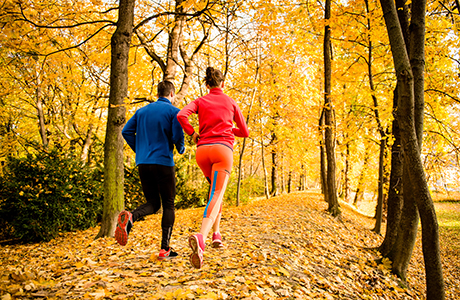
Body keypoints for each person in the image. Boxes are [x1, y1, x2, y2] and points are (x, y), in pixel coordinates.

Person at [177, 67, 249, 268]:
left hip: (202, 152)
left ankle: (216, 235)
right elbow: (244, 131)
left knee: (216, 193)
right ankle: (202, 237)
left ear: (207, 85)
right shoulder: (231, 102)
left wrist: (193, 132)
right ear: (223, 84)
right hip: (222, 151)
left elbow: (182, 115)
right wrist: (227, 128)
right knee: (217, 193)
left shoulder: (200, 101)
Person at [116, 80, 185, 260]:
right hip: (163, 162)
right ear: (172, 94)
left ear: (157, 94)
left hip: (143, 164)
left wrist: (140, 150)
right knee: (168, 204)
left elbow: (126, 131)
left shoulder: (141, 112)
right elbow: (178, 136)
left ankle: (131, 216)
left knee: (153, 204)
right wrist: (181, 147)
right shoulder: (174, 112)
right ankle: (165, 249)